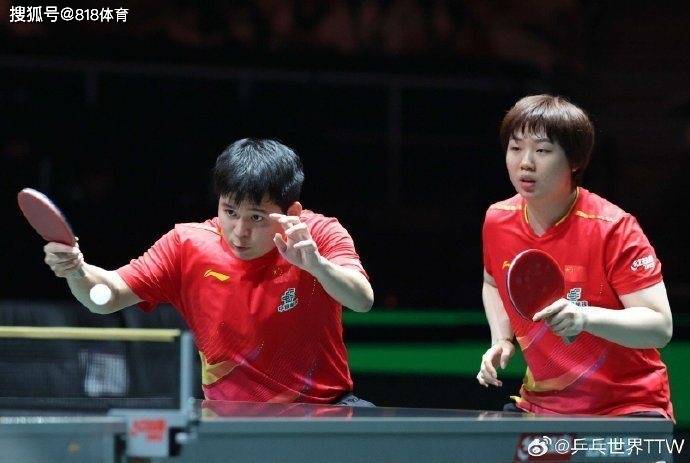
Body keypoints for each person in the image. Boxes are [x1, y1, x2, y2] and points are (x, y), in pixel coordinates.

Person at [43, 138, 374, 405]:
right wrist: (77, 270)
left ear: (292, 212)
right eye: (230, 212)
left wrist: (317, 265)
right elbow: (105, 297)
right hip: (230, 419)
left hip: (323, 410)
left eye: (256, 217)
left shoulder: (317, 235)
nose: (239, 232)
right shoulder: (187, 246)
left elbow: (361, 300)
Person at [477, 95, 674, 419]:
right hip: (542, 406)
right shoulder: (498, 220)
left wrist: (584, 318)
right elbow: (493, 283)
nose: (526, 162)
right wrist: (502, 338)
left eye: (542, 150)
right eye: (515, 148)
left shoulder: (613, 228)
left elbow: (659, 326)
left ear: (574, 161)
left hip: (627, 407)